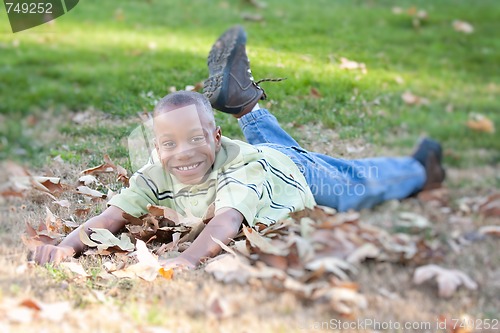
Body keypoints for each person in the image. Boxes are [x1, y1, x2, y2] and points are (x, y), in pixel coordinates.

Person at [34, 26, 445, 268]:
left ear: (215, 138)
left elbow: (226, 224)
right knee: (284, 152)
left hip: (298, 180)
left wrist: (187, 260)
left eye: (197, 139)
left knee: (358, 184)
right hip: (272, 161)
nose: (184, 153)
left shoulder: (237, 170)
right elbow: (113, 214)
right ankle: (243, 102)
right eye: (170, 143)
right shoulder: (154, 174)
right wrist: (67, 246)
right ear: (156, 147)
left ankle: (420, 170)